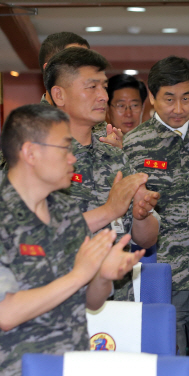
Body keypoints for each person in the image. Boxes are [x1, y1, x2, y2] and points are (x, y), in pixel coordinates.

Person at [0, 104, 144, 375]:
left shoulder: (65, 212)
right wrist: (79, 275)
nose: (72, 159)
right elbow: (6, 314)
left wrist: (103, 275)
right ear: (30, 152)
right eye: (64, 148)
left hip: (72, 362)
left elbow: (91, 302)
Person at [123, 56, 189, 375]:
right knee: (163, 362)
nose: (178, 108)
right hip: (159, 275)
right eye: (168, 98)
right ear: (152, 95)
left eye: (186, 97)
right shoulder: (133, 145)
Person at [43, 47, 159, 298]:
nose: (103, 97)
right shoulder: (37, 158)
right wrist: (109, 210)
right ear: (59, 95)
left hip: (117, 300)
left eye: (103, 87)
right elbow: (34, 234)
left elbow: (146, 240)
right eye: (91, 87)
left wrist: (142, 214)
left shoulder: (116, 156)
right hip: (57, 302)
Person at [38, 31, 121, 147]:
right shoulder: (31, 129)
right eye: (75, 60)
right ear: (49, 69)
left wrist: (116, 154)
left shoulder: (98, 123)